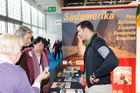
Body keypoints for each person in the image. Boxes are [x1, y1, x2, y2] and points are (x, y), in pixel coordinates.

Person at [77, 21, 119, 93]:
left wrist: (95, 75)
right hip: (92, 87)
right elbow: (89, 63)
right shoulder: (89, 44)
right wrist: (83, 76)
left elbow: (113, 61)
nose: (78, 34)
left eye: (79, 31)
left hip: (99, 88)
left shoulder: (98, 43)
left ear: (86, 30)